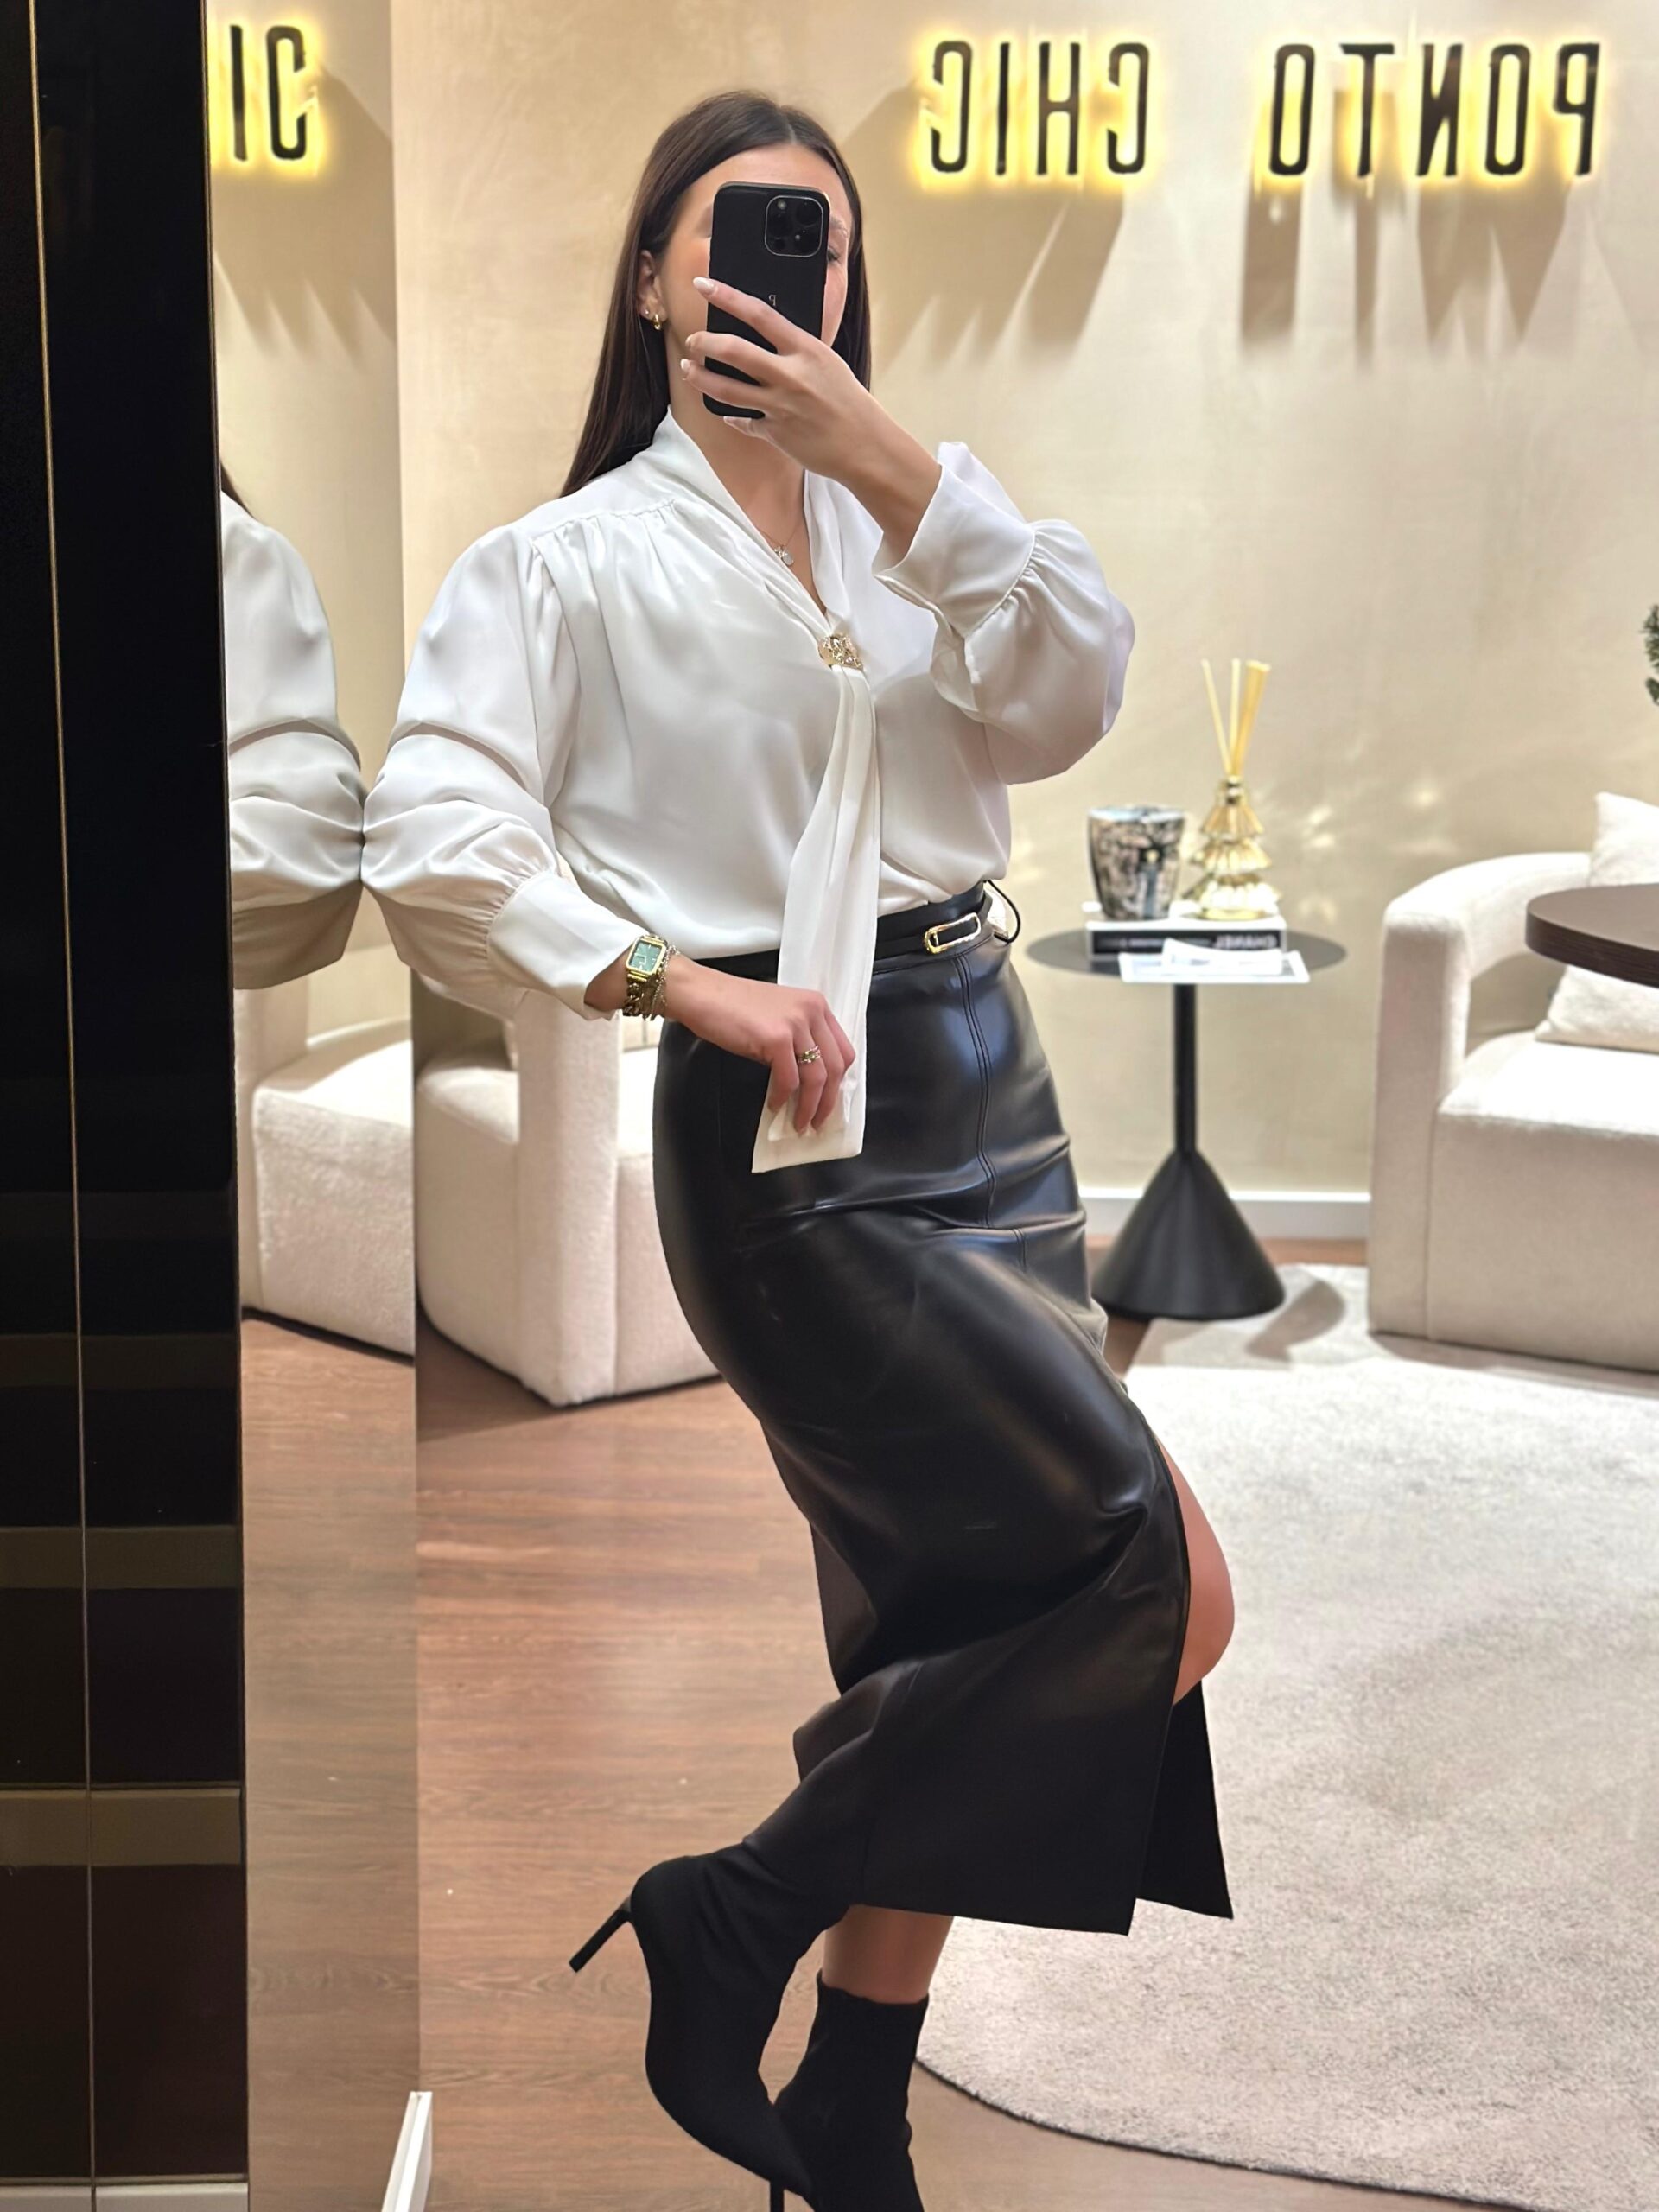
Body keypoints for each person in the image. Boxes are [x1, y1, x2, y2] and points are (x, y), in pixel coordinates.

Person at [361, 86, 1236, 2212]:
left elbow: (1073, 692)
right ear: (655, 280)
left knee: (959, 1618)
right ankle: (738, 1902)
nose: (789, 270)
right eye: (742, 231)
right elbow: (433, 833)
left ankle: (850, 2101)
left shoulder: (921, 528)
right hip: (788, 1128)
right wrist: (675, 978)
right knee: (1163, 1574)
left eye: (822, 243)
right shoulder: (561, 563)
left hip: (987, 1087)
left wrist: (896, 466)